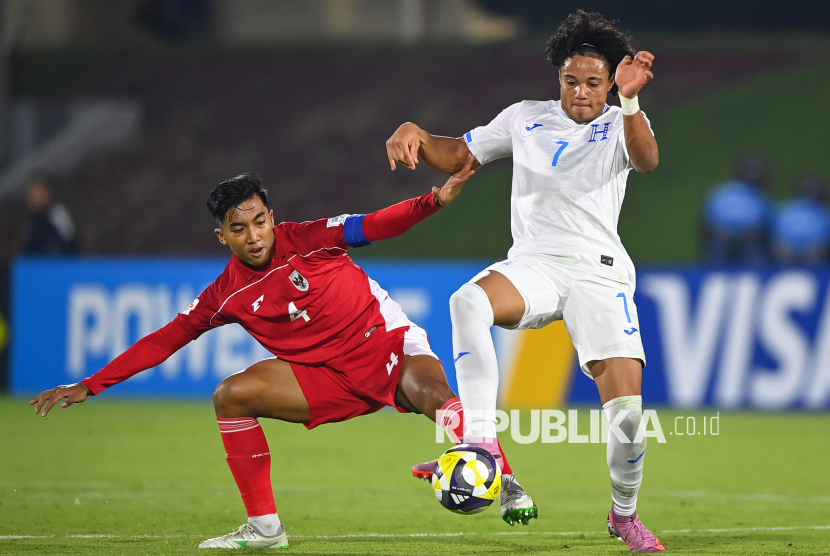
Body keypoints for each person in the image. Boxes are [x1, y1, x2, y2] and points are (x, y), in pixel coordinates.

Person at [30, 164, 533, 549]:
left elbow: (376, 225)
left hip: (388, 348)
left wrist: (433, 201)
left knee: (439, 398)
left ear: (271, 216)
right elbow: (165, 339)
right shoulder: (224, 294)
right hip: (324, 379)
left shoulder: (310, 240)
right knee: (231, 395)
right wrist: (90, 384)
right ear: (221, 235)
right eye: (239, 227)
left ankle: (506, 482)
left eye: (260, 221)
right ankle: (265, 527)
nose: (254, 236)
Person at [386, 10, 664, 553]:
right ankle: (482, 444)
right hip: (535, 263)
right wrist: (418, 133)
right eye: (570, 80)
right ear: (558, 77)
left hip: (599, 273)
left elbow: (647, 160)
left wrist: (631, 102)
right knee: (468, 301)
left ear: (610, 83)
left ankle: (623, 515)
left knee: (628, 418)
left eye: (593, 82)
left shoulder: (620, 122)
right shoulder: (525, 118)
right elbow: (461, 154)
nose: (580, 92)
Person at [703, 156, 773, 264]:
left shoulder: (762, 198)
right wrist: (722, 232)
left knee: (754, 252)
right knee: (719, 248)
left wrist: (750, 235)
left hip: (750, 240)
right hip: (723, 237)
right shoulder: (722, 192)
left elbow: (767, 225)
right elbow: (710, 220)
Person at [771, 174, 830, 264]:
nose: (812, 192)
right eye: (808, 189)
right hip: (785, 249)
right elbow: (773, 232)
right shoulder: (785, 209)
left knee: (815, 252)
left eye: (815, 189)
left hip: (816, 251)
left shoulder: (825, 213)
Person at [22, 176, 78, 255]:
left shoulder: (58, 215)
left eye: (37, 193)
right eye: (31, 194)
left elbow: (67, 246)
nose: (33, 198)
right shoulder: (31, 222)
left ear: (48, 192)